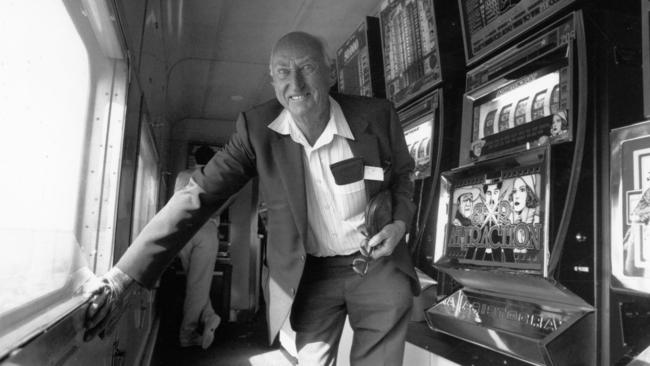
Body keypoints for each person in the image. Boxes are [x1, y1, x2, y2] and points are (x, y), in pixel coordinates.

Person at [83, 31, 417, 366]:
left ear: (330, 73)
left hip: (378, 266)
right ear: (272, 81)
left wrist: (399, 223)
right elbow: (197, 196)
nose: (296, 83)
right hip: (310, 275)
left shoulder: (377, 115)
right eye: (283, 72)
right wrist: (123, 277)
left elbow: (403, 175)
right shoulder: (256, 131)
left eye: (307, 68)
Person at [175, 145, 221, 349]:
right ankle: (188, 334)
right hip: (206, 228)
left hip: (183, 231)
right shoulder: (217, 175)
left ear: (194, 159)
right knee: (199, 284)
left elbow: (175, 204)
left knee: (194, 283)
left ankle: (210, 317)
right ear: (212, 160)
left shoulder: (182, 175)